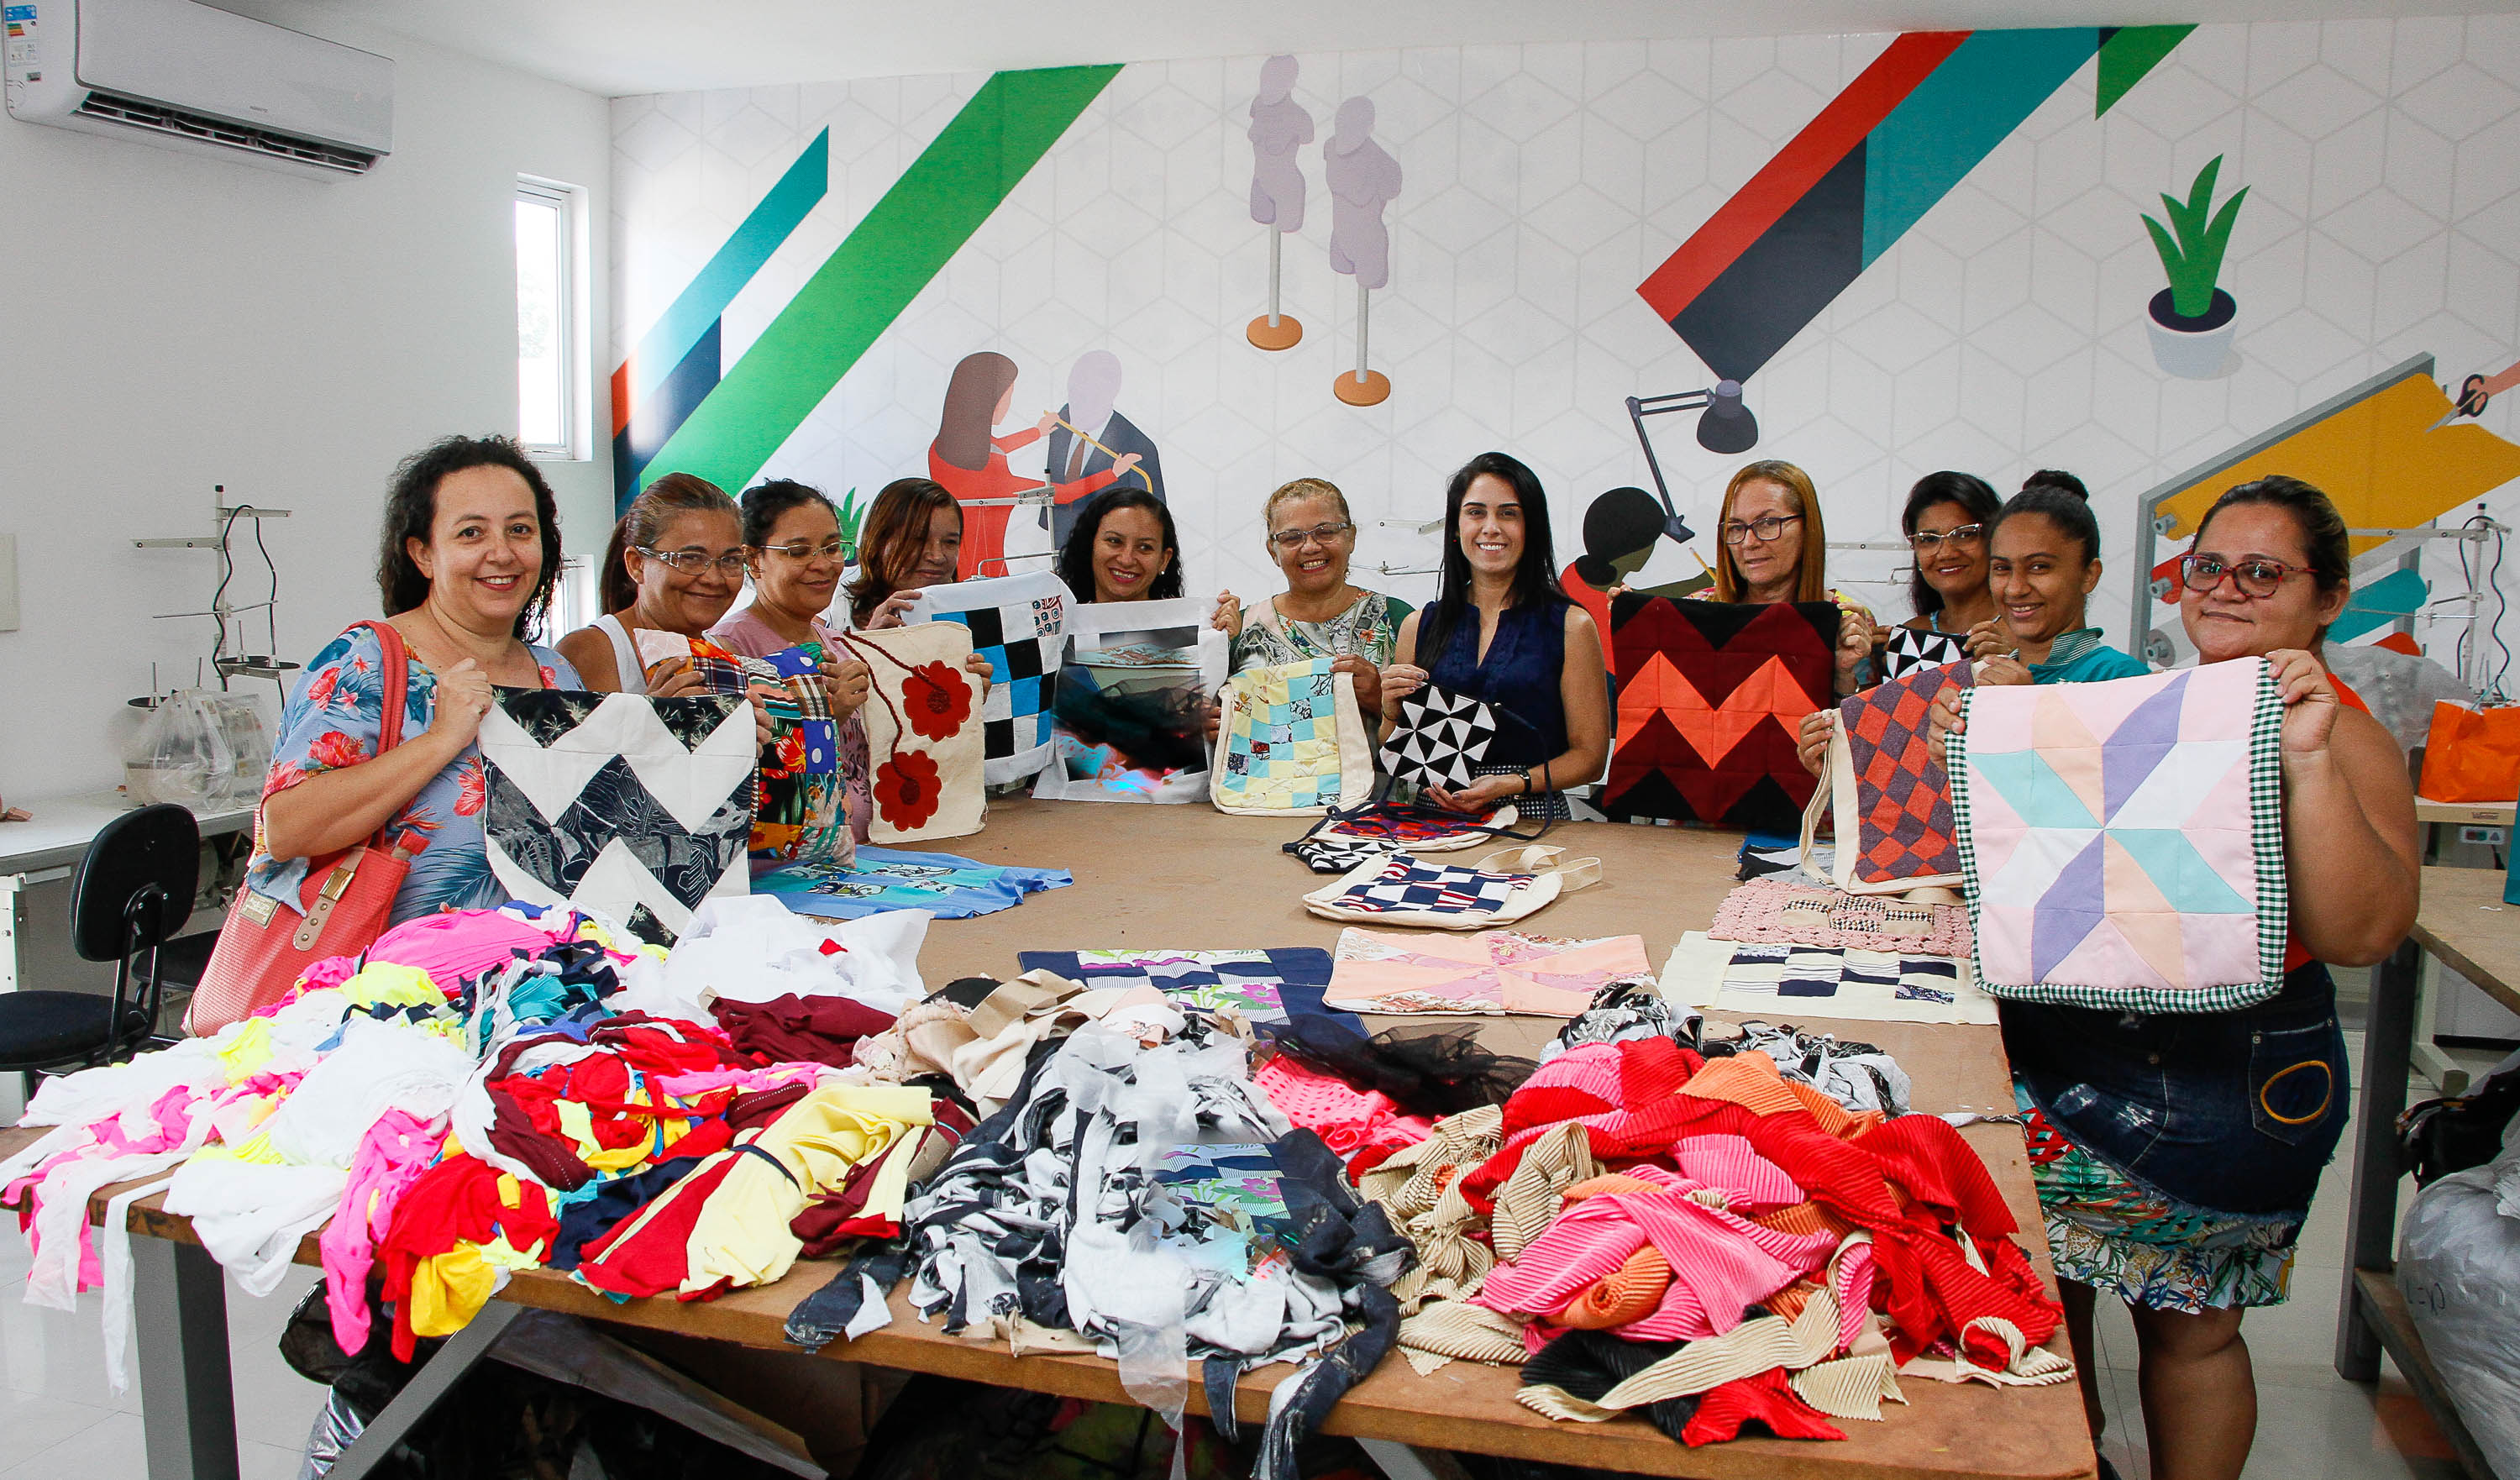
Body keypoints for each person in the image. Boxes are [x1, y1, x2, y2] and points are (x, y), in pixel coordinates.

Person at [1937, 475, 2420, 1480]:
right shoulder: (2159, 704)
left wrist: (2314, 763)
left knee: (2191, 1330)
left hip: (2220, 1080)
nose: (2228, 589)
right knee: (2048, 1299)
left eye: (2264, 572)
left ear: (2328, 597)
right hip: (2070, 1048)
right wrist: (2006, 735)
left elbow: (2365, 930)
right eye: (2209, 567)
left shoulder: (2339, 732)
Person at [246, 436, 582, 926]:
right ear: (423, 554)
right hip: (396, 987)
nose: (502, 553)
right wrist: (441, 739)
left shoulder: (556, 672)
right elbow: (288, 829)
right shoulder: (366, 662)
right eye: (471, 533)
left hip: (539, 976)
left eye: (520, 530)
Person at [1796, 480, 2144, 774]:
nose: (2015, 587)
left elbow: (2124, 810)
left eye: (2039, 567)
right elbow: (1922, 801)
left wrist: (2026, 715)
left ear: (2089, 574)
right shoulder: (1976, 681)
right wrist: (1835, 763)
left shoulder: (2123, 680)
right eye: (2002, 568)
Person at [1380, 452, 1610, 816]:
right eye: (1475, 512)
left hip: (1530, 816)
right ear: (1455, 528)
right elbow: (1390, 745)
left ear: (1532, 527)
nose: (1491, 527)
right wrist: (1390, 711)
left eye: (1508, 513)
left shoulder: (1571, 626)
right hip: (1435, 818)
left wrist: (1515, 781)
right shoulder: (1419, 624)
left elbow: (1590, 757)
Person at [708, 480, 876, 840]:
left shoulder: (839, 644)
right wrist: (826, 715)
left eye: (832, 548)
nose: (824, 565)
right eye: (798, 552)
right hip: (789, 866)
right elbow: (734, 776)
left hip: (868, 856)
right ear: (754, 560)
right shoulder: (731, 651)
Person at [928, 351, 1138, 580]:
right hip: (987, 575)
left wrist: (1036, 432)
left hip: (955, 570)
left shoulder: (940, 448)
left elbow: (995, 447)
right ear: (988, 401)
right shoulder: (989, 475)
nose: (1009, 403)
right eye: (1008, 395)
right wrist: (1113, 472)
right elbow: (1064, 493)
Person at [1225, 477, 1411, 720]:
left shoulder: (1397, 620)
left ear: (1351, 537)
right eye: (1292, 537)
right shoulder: (1241, 629)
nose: (1311, 547)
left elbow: (1434, 729)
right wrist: (1213, 723)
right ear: (1273, 551)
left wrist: (1380, 700)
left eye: (1325, 532)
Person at [555, 474, 744, 694]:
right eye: (690, 558)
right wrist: (652, 714)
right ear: (637, 564)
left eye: (730, 560)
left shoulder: (727, 651)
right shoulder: (591, 651)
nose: (713, 579)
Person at [1704, 459, 1876, 695]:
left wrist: (1843, 674)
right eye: (1735, 527)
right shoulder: (1698, 611)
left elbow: (1865, 728)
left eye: (1768, 523)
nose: (1748, 542)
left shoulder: (1846, 618)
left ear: (1807, 529)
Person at [1897, 470, 2000, 636]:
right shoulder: (1909, 636)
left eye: (1965, 534)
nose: (1946, 553)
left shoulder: (2026, 634)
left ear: (1994, 538)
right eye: (1929, 539)